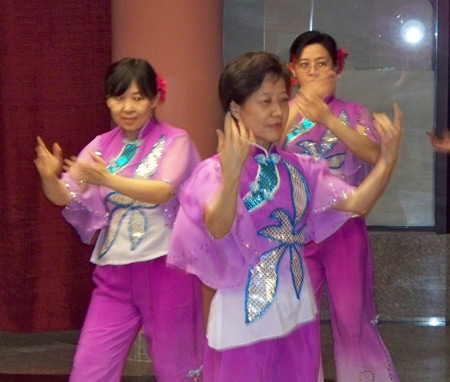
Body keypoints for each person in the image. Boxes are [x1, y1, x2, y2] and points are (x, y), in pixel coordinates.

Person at [167, 51, 402, 382]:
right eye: (265, 101)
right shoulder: (214, 171)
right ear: (236, 107)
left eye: (282, 99)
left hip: (297, 307)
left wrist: (387, 161)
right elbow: (217, 228)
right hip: (242, 314)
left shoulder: (298, 167)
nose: (278, 111)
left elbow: (358, 203)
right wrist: (232, 174)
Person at [34, 58, 204, 382]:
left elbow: (161, 191)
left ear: (155, 99)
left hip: (166, 268)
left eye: (138, 97)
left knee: (178, 370)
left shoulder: (175, 140)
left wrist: (107, 179)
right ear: (108, 100)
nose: (127, 107)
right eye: (118, 97)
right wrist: (49, 177)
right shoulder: (101, 146)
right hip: (113, 273)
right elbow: (66, 195)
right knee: (90, 368)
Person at [283, 31, 400, 382]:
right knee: (297, 319)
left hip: (344, 229)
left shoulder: (353, 112)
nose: (315, 72)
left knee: (351, 320)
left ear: (337, 68)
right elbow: (266, 147)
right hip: (295, 233)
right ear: (294, 72)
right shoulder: (282, 113)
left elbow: (372, 153)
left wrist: (328, 118)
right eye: (305, 66)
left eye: (322, 64)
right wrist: (300, 108)